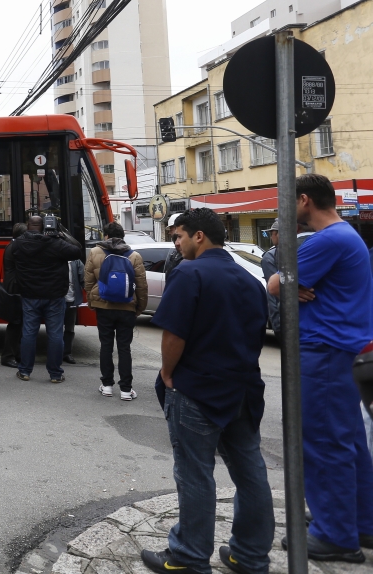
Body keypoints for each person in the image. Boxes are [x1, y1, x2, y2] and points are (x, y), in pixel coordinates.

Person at [142, 208, 273, 574]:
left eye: (178, 236)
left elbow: (174, 334)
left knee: (195, 474)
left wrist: (167, 373)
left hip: (197, 389)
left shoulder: (190, 273)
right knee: (250, 473)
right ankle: (249, 556)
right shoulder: (249, 279)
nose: (175, 244)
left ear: (199, 236)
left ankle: (188, 557)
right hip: (243, 390)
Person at [268, 175, 373, 562]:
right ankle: (360, 522)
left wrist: (284, 283)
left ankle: (335, 534)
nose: (283, 209)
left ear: (304, 200)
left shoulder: (326, 240)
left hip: (325, 351)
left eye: (287, 201)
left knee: (324, 442)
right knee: (349, 442)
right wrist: (291, 284)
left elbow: (275, 284)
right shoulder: (347, 236)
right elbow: (289, 283)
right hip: (344, 351)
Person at [12, 215, 83, 383]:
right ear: (44, 226)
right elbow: (77, 250)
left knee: (29, 333)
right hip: (54, 296)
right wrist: (60, 233)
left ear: (28, 225)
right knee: (55, 334)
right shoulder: (56, 243)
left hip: (30, 295)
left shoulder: (18, 244)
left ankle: (25, 371)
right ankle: (55, 374)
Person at [85, 222, 148, 401]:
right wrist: (139, 308)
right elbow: (142, 286)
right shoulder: (134, 256)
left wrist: (92, 301)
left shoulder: (95, 252)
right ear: (122, 237)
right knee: (124, 348)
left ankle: (106, 386)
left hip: (103, 307)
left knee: (106, 345)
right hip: (127, 307)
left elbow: (88, 281)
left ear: (106, 236)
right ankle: (126, 389)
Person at [0, 222, 27, 367]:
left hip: (11, 285)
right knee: (16, 323)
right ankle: (8, 356)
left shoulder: (11, 246)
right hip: (15, 287)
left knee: (18, 323)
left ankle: (17, 354)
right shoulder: (16, 248)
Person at [63, 256, 85, 365]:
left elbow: (84, 279)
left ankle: (67, 353)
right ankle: (55, 352)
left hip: (72, 300)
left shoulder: (76, 262)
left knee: (70, 328)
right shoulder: (55, 257)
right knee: (54, 329)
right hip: (56, 300)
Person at [261, 220, 280, 338]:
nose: (271, 237)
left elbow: (274, 291)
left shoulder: (269, 257)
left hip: (281, 316)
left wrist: (276, 323)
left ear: (278, 234)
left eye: (272, 233)